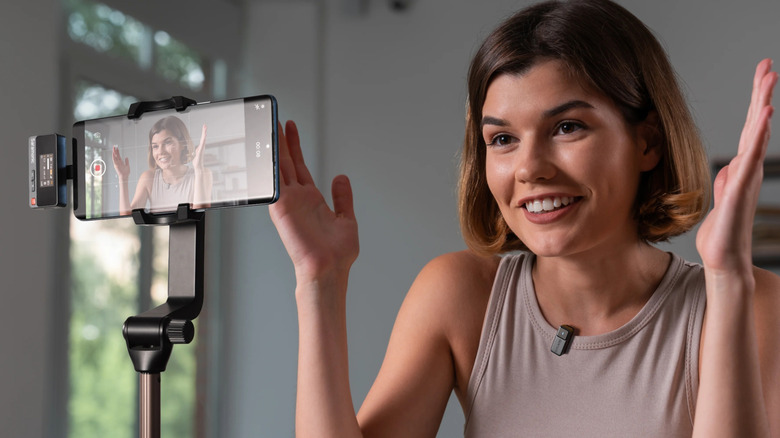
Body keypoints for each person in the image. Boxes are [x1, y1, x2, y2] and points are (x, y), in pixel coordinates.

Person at [268, 0, 780, 436]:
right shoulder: (458, 295)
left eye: (568, 127)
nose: (530, 168)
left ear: (647, 142)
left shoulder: (751, 303)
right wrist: (320, 280)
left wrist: (728, 280)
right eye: (503, 139)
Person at [112, 115, 212, 215]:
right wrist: (123, 178)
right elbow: (128, 217)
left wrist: (198, 169)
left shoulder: (203, 174)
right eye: (155, 146)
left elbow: (201, 215)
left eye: (167, 142)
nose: (160, 152)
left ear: (183, 144)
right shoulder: (148, 178)